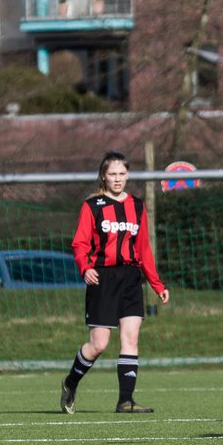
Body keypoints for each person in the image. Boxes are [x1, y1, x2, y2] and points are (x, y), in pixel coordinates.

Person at [60, 151, 170, 414]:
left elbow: (143, 249)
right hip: (103, 277)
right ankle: (70, 382)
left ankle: (126, 401)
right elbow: (80, 243)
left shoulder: (138, 206)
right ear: (103, 176)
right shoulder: (92, 206)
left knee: (130, 338)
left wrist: (157, 284)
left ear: (128, 175)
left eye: (122, 174)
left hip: (131, 278)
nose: (117, 179)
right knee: (99, 344)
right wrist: (85, 267)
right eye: (112, 174)